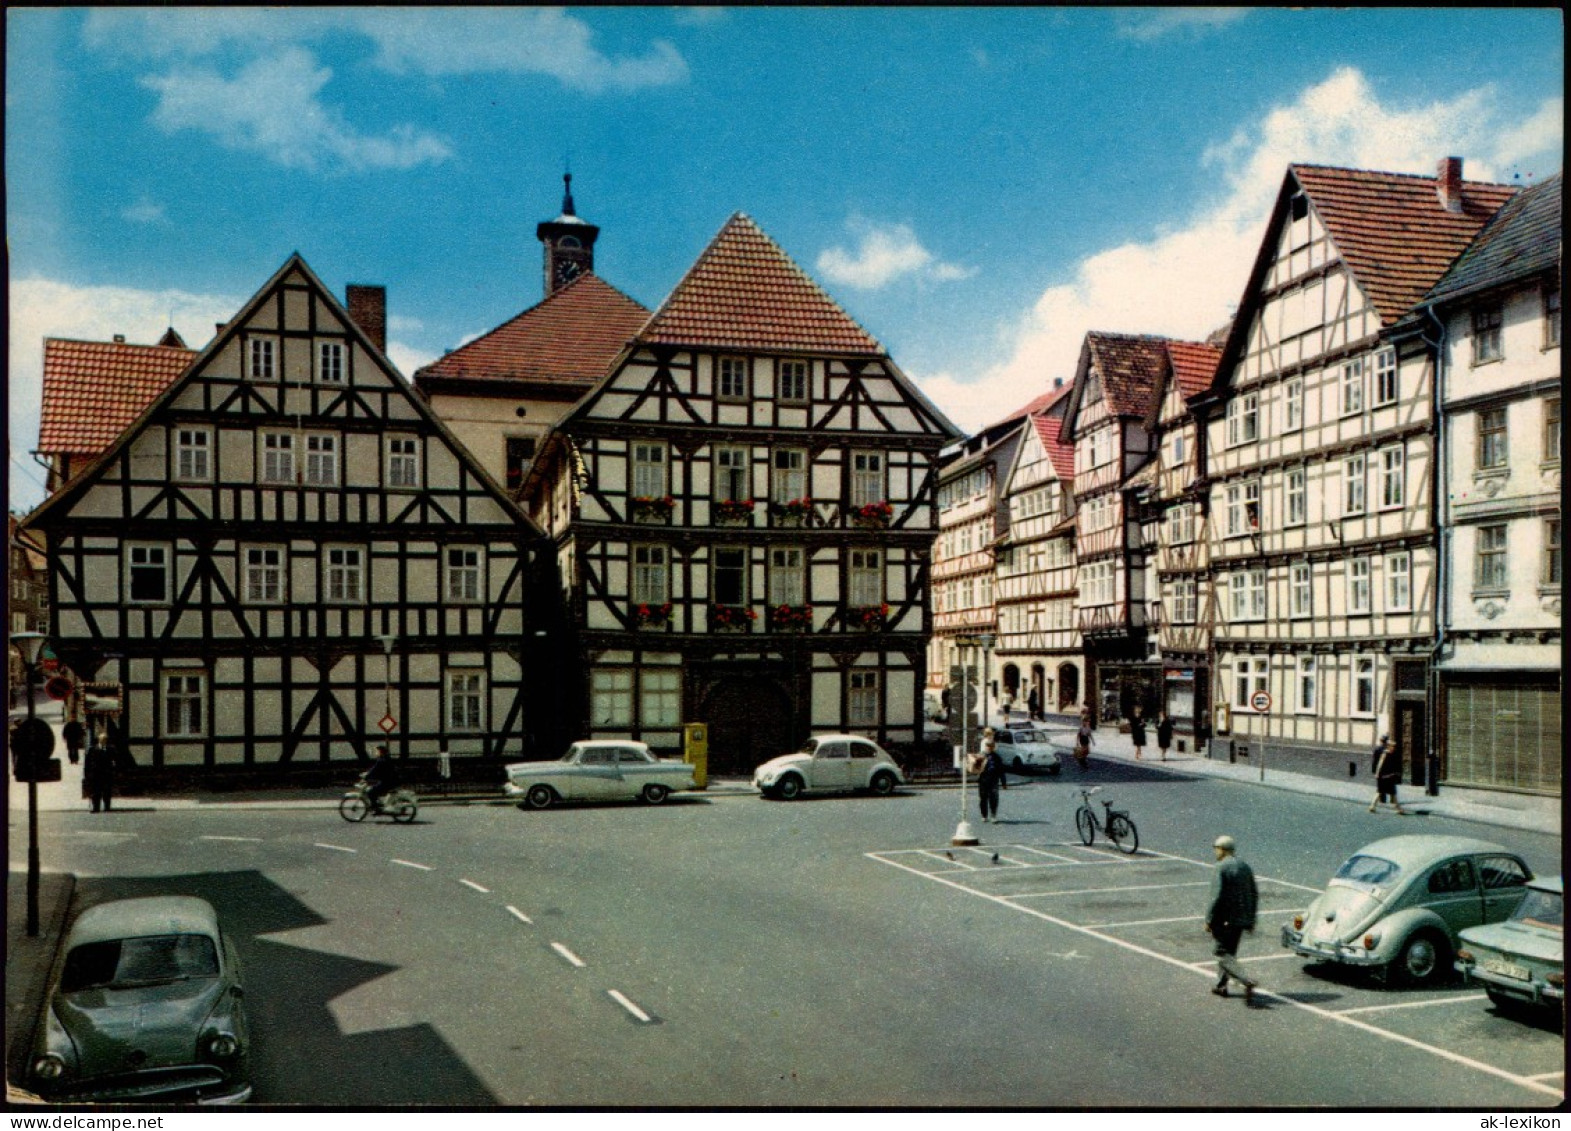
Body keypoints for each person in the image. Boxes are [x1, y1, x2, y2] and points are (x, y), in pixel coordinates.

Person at [1205, 835, 1259, 1002]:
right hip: (1241, 919)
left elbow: (1216, 896)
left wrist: (1209, 919)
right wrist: (1250, 919)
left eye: (1216, 848)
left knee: (1221, 953)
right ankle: (1221, 986)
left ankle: (1245, 980)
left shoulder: (1220, 867)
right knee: (1230, 953)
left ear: (1222, 849)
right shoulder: (1244, 866)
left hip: (1224, 919)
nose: (1215, 851)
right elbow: (1254, 893)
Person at [1369, 735, 1405, 815]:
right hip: (1384, 776)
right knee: (1384, 792)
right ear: (1389, 747)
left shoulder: (1391, 754)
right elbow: (1380, 764)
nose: (1394, 748)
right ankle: (1399, 809)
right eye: (1393, 746)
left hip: (1389, 776)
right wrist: (1377, 773)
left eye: (1394, 746)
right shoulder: (1385, 754)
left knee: (1385, 792)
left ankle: (1372, 806)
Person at [976, 728, 1006, 823]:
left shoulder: (997, 757)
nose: (989, 748)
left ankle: (993, 815)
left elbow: (1001, 770)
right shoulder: (981, 756)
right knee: (983, 798)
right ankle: (984, 815)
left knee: (993, 798)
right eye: (987, 746)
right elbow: (975, 768)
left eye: (990, 746)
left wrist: (1003, 782)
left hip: (993, 780)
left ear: (993, 747)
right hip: (983, 779)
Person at [364, 744, 399, 811]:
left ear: (381, 752)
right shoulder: (387, 758)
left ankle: (376, 809)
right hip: (391, 781)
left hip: (387, 782)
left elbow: (374, 769)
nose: (376, 753)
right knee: (375, 790)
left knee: (370, 792)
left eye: (377, 751)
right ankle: (378, 805)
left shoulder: (381, 760)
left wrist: (367, 776)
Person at [84, 732, 113, 813]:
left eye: (105, 740)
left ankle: (107, 807)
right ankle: (96, 807)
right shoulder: (92, 749)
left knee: (107, 791)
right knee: (95, 792)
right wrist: (87, 774)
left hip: (106, 774)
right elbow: (87, 763)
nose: (104, 741)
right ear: (99, 740)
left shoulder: (110, 749)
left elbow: (114, 761)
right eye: (103, 739)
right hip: (95, 774)